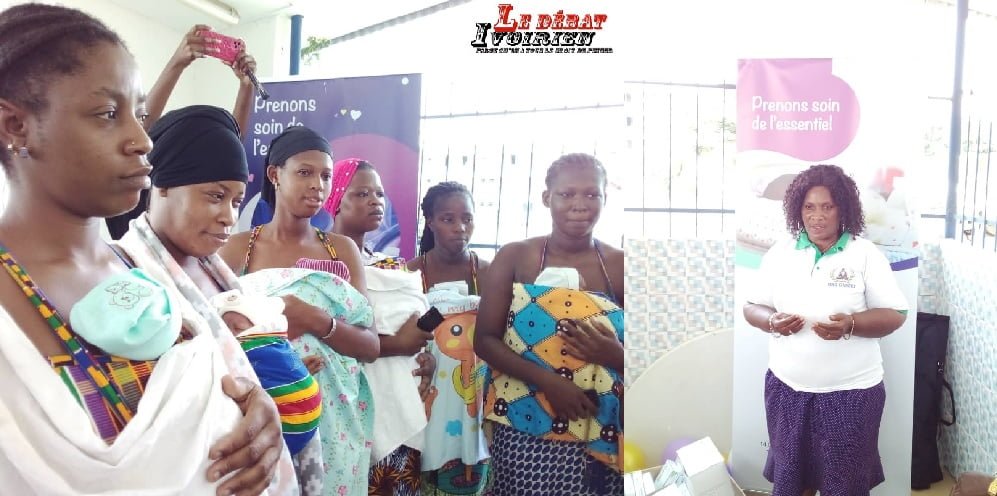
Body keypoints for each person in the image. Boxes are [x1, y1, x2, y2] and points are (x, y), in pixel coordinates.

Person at [0, 4, 284, 494]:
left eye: (138, 112)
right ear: (15, 127)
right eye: (109, 114)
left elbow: (217, 383)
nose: (141, 140)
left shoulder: (141, 269)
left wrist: (254, 412)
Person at [220, 126, 381, 495]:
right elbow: (219, 335)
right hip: (265, 409)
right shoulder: (238, 249)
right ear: (275, 175)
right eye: (305, 172)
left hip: (335, 419)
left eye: (326, 175)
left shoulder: (342, 250)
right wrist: (280, 369)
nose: (318, 185)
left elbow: (370, 347)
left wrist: (314, 319)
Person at [742, 164, 908, 496]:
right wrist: (770, 321)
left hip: (852, 394)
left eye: (827, 207)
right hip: (788, 391)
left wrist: (852, 324)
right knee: (793, 483)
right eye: (809, 207)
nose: (817, 216)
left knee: (844, 487)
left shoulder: (864, 254)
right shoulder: (780, 253)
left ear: (842, 209)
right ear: (797, 210)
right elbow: (752, 307)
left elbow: (896, 314)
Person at [474, 153, 625, 496]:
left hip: (598, 423)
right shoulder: (516, 256)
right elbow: (485, 340)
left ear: (605, 199)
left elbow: (650, 352)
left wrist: (615, 354)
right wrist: (551, 383)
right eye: (566, 194)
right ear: (547, 198)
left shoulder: (620, 265)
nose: (579, 204)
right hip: (524, 421)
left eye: (591, 194)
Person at [326, 158, 437, 496]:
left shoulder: (385, 262)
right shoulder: (322, 258)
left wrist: (424, 355)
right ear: (335, 201)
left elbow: (408, 320)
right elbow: (325, 335)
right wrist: (398, 345)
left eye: (379, 193)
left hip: (399, 392)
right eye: (361, 193)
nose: (375, 201)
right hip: (348, 403)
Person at [104, 24, 257, 241]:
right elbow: (137, 132)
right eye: (216, 196)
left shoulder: (209, 267)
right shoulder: (130, 197)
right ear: (164, 185)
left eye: (236, 202)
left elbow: (229, 155)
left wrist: (246, 87)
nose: (229, 219)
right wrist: (177, 63)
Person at [407, 181, 492, 495]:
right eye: (448, 219)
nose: (460, 227)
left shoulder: (488, 274)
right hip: (424, 392)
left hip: (473, 396)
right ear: (430, 221)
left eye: (467, 219)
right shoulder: (411, 274)